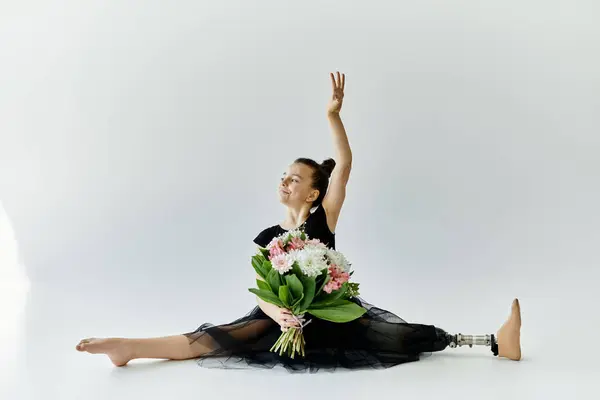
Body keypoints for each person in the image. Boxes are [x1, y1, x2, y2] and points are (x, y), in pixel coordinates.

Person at [76, 72, 522, 371]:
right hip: (282, 322)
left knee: (402, 337)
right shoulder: (269, 238)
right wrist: (282, 316)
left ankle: (495, 342)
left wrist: (333, 116)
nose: (286, 181)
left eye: (295, 178)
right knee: (212, 338)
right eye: (283, 176)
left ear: (313, 192)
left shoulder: (323, 220)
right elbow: (260, 289)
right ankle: (129, 347)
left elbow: (344, 166)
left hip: (335, 321)